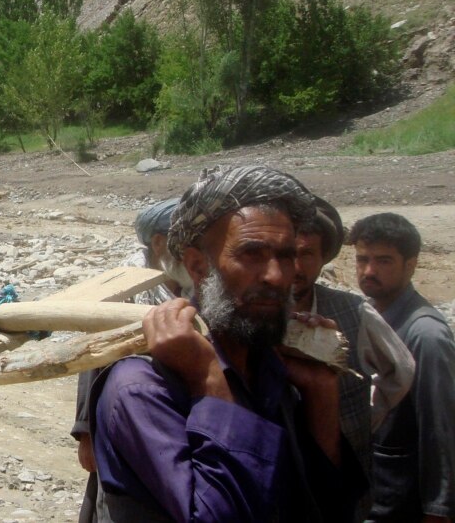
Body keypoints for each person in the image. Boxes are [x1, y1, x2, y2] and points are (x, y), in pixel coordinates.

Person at [90, 165, 364, 522]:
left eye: (285, 255)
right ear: (198, 267)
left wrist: (321, 394)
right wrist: (209, 382)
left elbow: (329, 508)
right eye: (251, 254)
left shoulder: (271, 370)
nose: (278, 276)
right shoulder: (141, 387)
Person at [291, 199, 414, 521]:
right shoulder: (252, 317)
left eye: (307, 255)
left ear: (322, 259)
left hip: (343, 480)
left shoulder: (353, 312)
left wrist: (360, 418)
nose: (296, 268)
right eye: (288, 254)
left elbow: (399, 372)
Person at [350, 213, 455, 521]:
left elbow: (440, 428)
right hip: (374, 497)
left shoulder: (424, 334)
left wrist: (439, 509)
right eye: (362, 259)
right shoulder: (367, 317)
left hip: (401, 505)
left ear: (410, 265)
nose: (369, 271)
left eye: (383, 261)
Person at [72, 197, 183, 472]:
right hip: (125, 410)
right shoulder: (123, 288)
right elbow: (93, 357)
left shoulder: (198, 283)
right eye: (186, 240)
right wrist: (87, 433)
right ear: (159, 243)